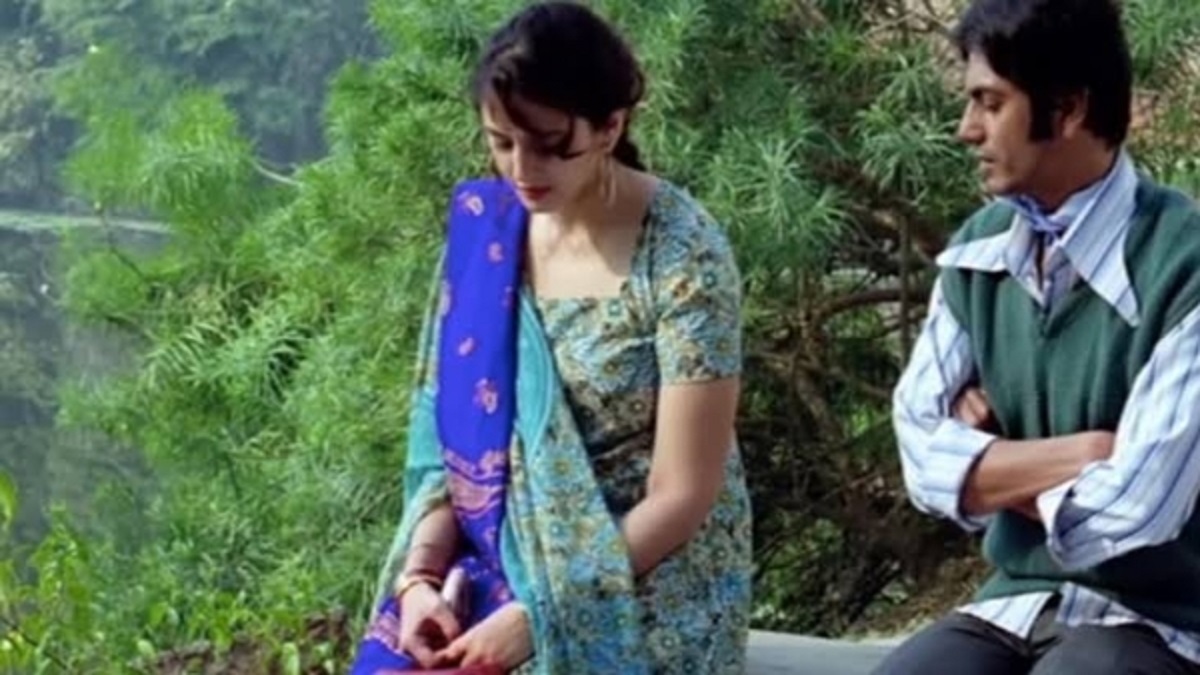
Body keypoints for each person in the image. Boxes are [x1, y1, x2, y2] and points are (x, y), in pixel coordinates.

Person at [349, 3, 752, 673]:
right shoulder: (488, 240)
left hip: (648, 578)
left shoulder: (683, 257)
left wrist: (541, 614)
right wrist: (419, 580)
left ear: (610, 126)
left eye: (548, 143)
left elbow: (682, 495)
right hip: (498, 562)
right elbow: (453, 453)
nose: (522, 168)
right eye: (501, 142)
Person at [879, 0, 1200, 673]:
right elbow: (919, 451)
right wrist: (1086, 453)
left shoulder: (1184, 265)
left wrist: (983, 467)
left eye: (990, 103)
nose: (967, 129)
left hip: (1164, 623)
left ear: (1068, 107)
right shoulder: (979, 253)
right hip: (1015, 603)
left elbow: (1135, 509)